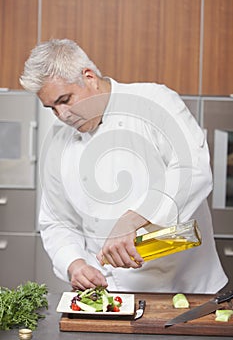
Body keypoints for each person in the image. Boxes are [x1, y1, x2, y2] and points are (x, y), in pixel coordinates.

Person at [20, 39, 227, 293]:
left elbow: (193, 170)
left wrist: (132, 220)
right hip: (112, 293)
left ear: (89, 77)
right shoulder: (59, 140)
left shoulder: (154, 100)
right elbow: (57, 221)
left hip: (185, 288)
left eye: (65, 99)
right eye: (52, 108)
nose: (62, 115)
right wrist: (74, 264)